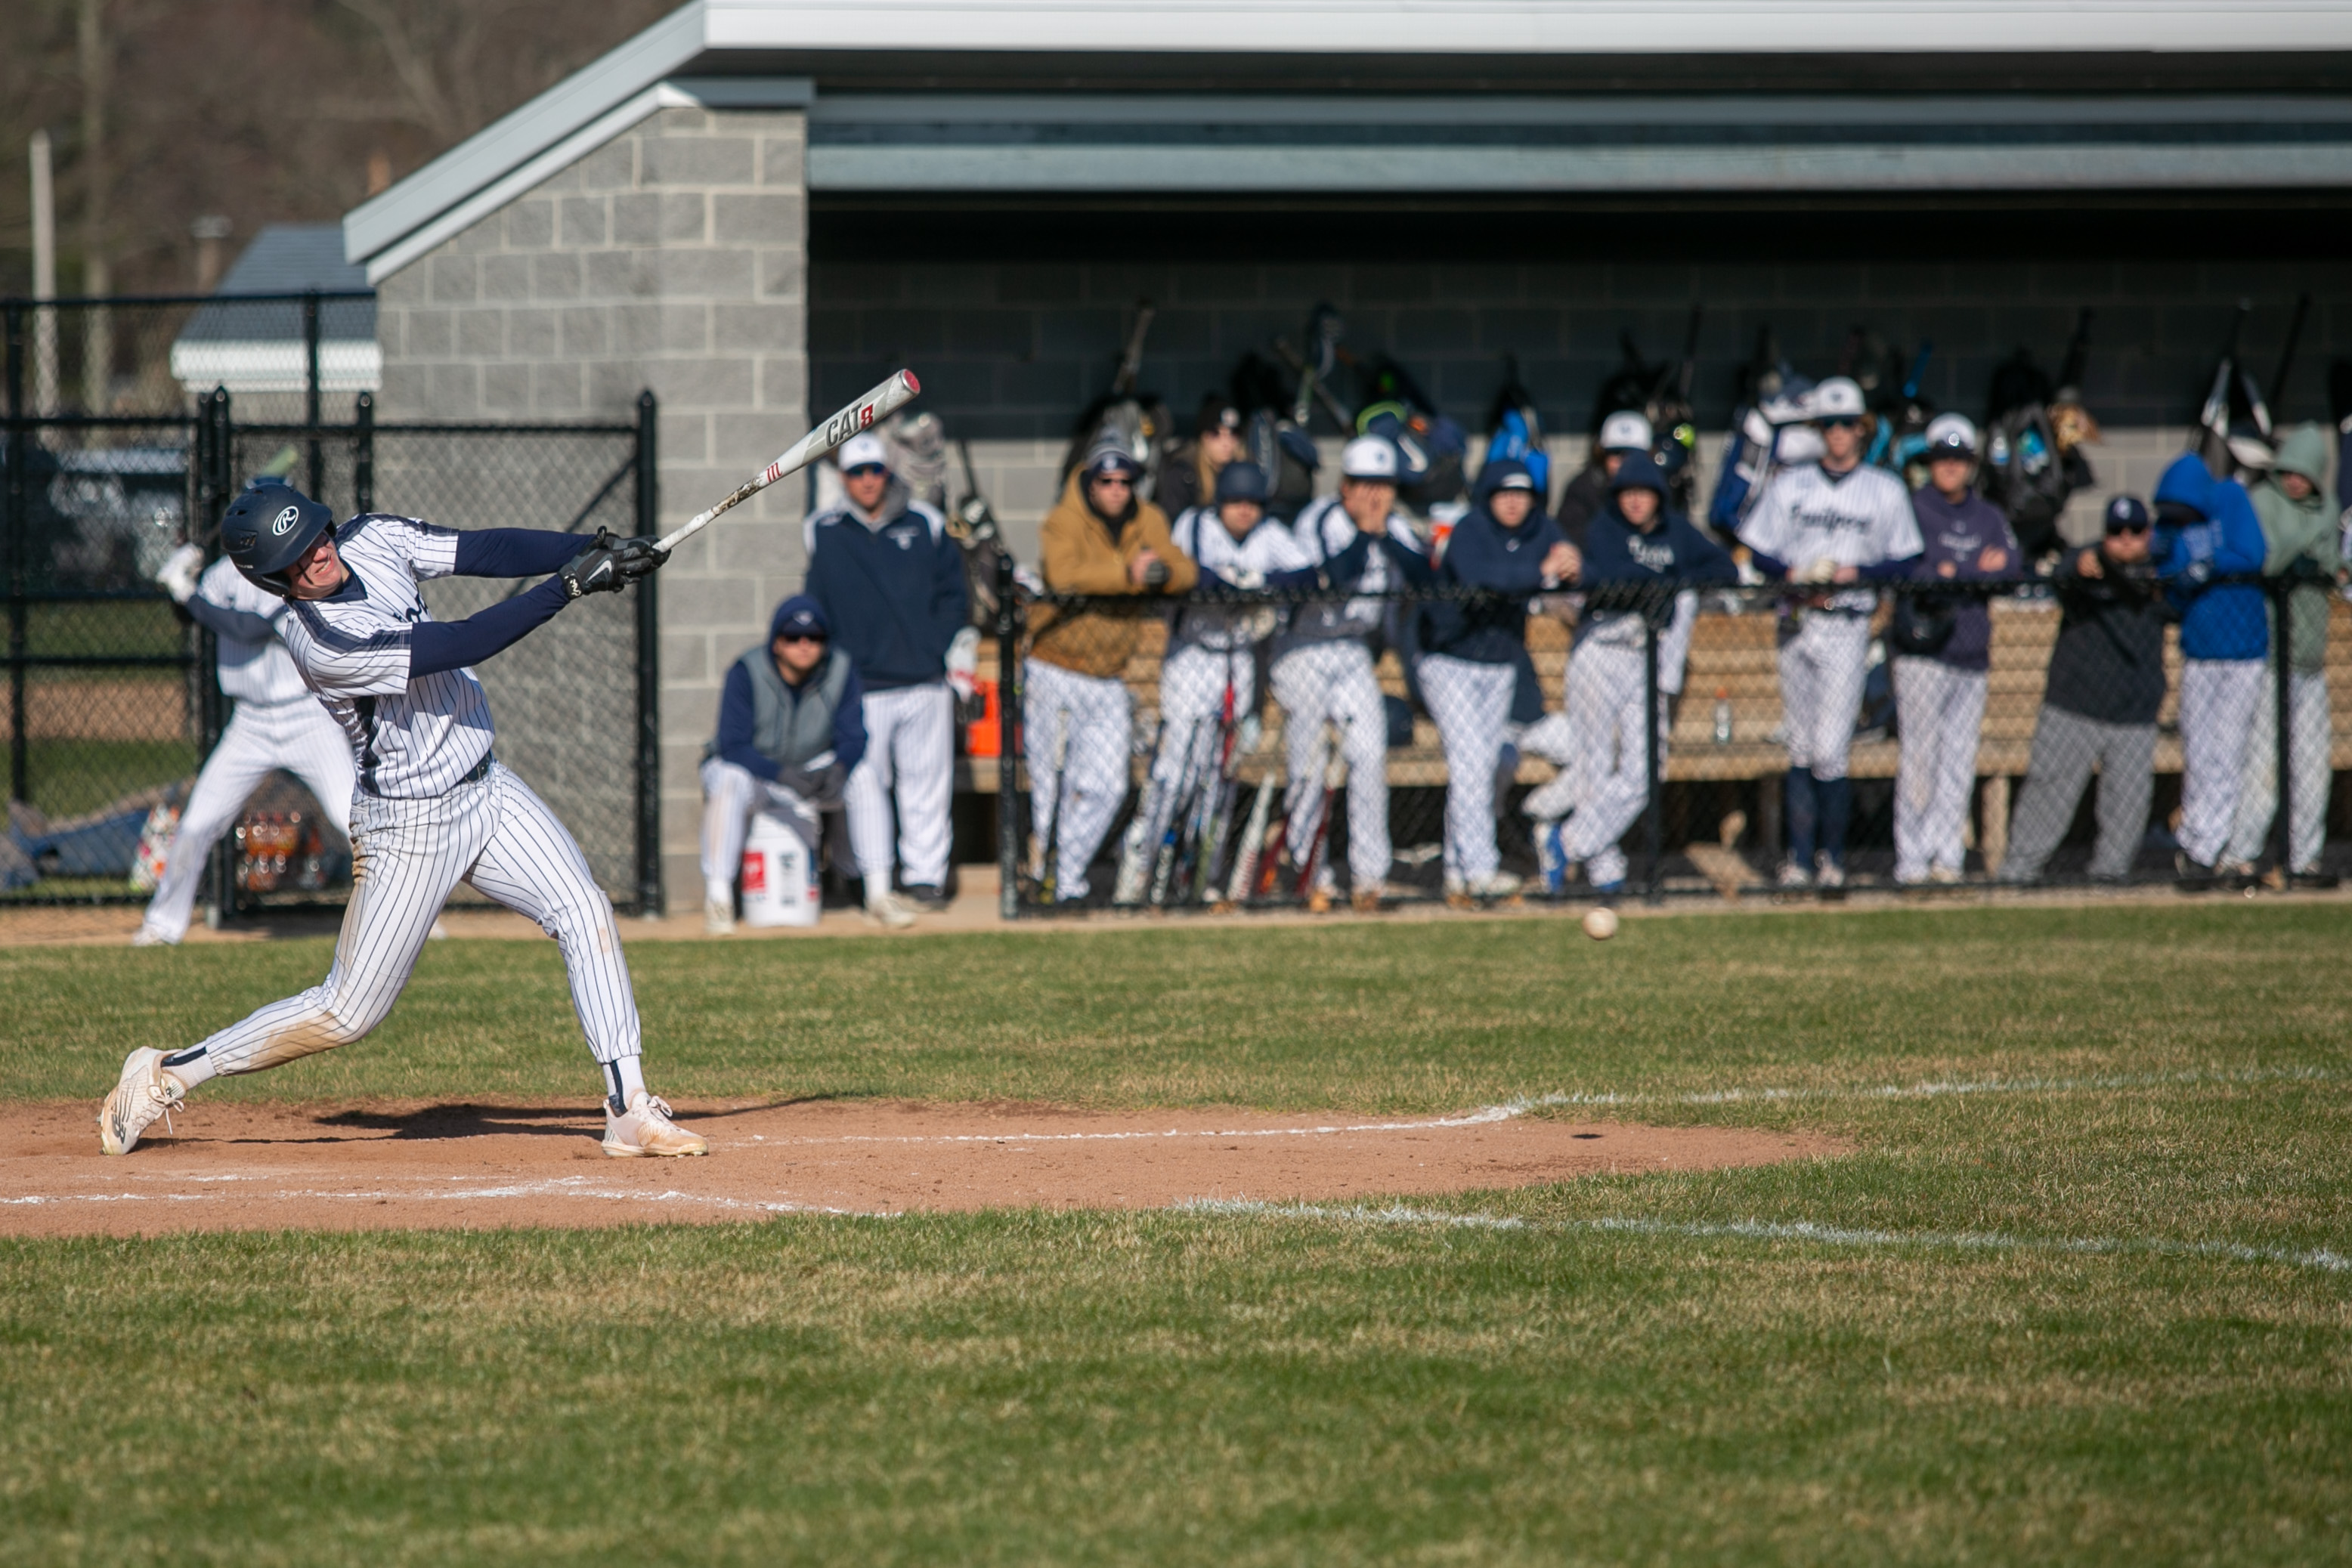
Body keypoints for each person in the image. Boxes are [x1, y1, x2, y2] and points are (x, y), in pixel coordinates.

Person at [97, 486, 704, 1158]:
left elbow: (485, 549)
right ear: (274, 580)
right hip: (409, 825)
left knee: (584, 908)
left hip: (486, 787)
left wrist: (592, 546)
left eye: (315, 538)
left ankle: (626, 1107)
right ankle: (170, 1070)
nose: (315, 558)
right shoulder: (320, 640)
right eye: (294, 561)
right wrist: (568, 585)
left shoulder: (375, 538)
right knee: (346, 1012)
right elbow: (456, 642)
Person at [133, 507, 356, 946]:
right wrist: (180, 585)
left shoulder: (284, 572)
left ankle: (413, 909)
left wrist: (188, 593)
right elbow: (189, 616)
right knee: (198, 824)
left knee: (352, 818)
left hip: (307, 716)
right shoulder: (218, 575)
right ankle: (162, 926)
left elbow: (248, 629)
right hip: (249, 724)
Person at [1736, 375, 1923, 895]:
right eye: (1829, 425)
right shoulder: (1790, 484)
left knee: (1830, 748)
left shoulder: (1882, 488)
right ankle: (1799, 862)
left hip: (1847, 622)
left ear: (1861, 429)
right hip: (1796, 620)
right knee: (1800, 744)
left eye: (1847, 425)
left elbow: (1907, 560)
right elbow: (1757, 549)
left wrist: (1855, 575)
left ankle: (1832, 861)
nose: (1838, 434)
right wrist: (1793, 575)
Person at [1533, 450, 1735, 895]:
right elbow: (1608, 576)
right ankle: (1604, 868)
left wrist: (1673, 581)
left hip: (1647, 655)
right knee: (1594, 765)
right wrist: (1659, 580)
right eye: (1627, 493)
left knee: (1647, 770)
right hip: (1601, 649)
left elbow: (1724, 567)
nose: (1636, 502)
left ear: (1659, 496)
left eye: (1644, 493)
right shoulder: (1604, 528)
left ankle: (1566, 840)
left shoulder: (1676, 532)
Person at [1116, 462, 1314, 905]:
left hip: (1238, 661)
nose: (1245, 511)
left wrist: (1259, 583)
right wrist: (1231, 586)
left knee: (1220, 776)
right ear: (1220, 502)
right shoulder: (1196, 524)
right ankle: (1138, 869)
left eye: (1253, 503)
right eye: (1236, 502)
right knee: (1174, 774)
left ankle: (1201, 874)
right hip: (1192, 656)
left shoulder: (1269, 535)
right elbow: (1185, 572)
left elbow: (1306, 575)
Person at [804, 431, 970, 924]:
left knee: (925, 785)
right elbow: (818, 609)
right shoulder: (822, 531)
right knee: (863, 784)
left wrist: (936, 647)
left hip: (923, 678)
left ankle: (925, 876)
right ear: (843, 479)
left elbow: (954, 598)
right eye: (856, 473)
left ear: (887, 472)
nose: (867, 480)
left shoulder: (927, 523)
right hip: (860, 685)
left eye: (875, 470)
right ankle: (860, 875)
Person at [1024, 438, 1198, 903]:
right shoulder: (1064, 519)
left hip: (1110, 677)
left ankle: (1064, 877)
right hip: (1055, 669)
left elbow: (1185, 569)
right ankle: (1048, 881)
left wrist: (1159, 573)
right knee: (1052, 788)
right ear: (1090, 482)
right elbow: (1065, 575)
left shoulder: (1149, 518)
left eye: (1126, 481)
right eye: (1107, 481)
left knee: (1107, 786)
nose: (1117, 490)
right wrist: (1128, 573)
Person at [1273, 436, 1431, 911]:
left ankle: (1369, 879)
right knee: (1309, 762)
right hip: (1304, 648)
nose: (1375, 494)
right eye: (1364, 483)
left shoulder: (1394, 525)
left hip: (1353, 652)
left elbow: (1429, 579)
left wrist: (1382, 533)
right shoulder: (1320, 519)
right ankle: (1309, 874)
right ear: (1345, 487)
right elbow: (1329, 583)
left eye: (1383, 484)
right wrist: (1366, 533)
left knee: (1368, 757)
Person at [1418, 456, 1574, 904]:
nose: (1513, 503)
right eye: (1504, 493)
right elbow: (1484, 578)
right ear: (1488, 496)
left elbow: (1569, 562)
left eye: (1522, 494)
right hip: (1449, 662)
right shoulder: (1471, 529)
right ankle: (1481, 871)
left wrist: (1569, 561)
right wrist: (1542, 572)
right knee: (1471, 764)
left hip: (1500, 665)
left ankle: (1456, 872)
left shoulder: (1540, 530)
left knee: (1487, 763)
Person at [1999, 496, 2167, 886]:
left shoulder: (2161, 575)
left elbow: (2179, 597)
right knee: (2048, 794)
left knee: (2127, 808)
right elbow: (2064, 573)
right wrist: (2079, 565)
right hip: (2073, 706)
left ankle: (2109, 882)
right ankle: (2015, 878)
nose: (2125, 540)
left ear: (2148, 534)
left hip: (2134, 713)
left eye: (2135, 532)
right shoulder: (2087, 570)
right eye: (2115, 532)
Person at [1892, 414, 2019, 886]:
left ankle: (1947, 857)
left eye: (1959, 459)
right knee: (1919, 759)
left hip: (1971, 652)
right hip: (1923, 653)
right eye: (1941, 458)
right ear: (1929, 463)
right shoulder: (1913, 508)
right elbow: (1913, 572)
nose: (1950, 467)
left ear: (1971, 464)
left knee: (1958, 761)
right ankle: (1911, 861)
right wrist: (1971, 572)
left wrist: (1955, 573)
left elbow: (2012, 566)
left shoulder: (1987, 515)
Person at [700, 595, 871, 933]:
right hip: (757, 776)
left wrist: (839, 768)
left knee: (865, 773)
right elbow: (732, 746)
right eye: (793, 637)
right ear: (777, 643)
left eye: (814, 638)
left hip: (809, 772)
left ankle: (876, 893)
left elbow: (855, 737)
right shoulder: (747, 669)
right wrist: (782, 775)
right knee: (729, 779)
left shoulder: (840, 668)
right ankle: (718, 898)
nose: (804, 645)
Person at [2224, 422, 2341, 886]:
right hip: (2270, 658)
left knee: (2313, 766)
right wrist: (2305, 547)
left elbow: (2331, 566)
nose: (2295, 480)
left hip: (2310, 659)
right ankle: (2242, 855)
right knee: (2262, 765)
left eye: (2303, 472)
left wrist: (2332, 564)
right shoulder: (2262, 503)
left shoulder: (2327, 508)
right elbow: (2266, 560)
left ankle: (2302, 858)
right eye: (2288, 470)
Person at [2149, 452, 2269, 888]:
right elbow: (2170, 578)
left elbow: (2254, 553)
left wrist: (2210, 565)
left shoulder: (2230, 497)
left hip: (2243, 651)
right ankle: (2195, 839)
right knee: (2198, 749)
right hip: (2199, 650)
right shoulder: (2175, 527)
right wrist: (2176, 570)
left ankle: (2208, 848)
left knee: (2227, 750)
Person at [1555, 409, 1654, 552]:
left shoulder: (1660, 489)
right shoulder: (1583, 488)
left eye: (1631, 454)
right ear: (1602, 455)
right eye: (1615, 453)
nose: (1623, 461)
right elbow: (1571, 540)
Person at [1154, 397, 1248, 521]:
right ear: (1202, 438)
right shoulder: (1183, 475)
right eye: (1215, 433)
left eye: (1234, 433)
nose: (1226, 441)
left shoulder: (1248, 472)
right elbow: (1170, 523)